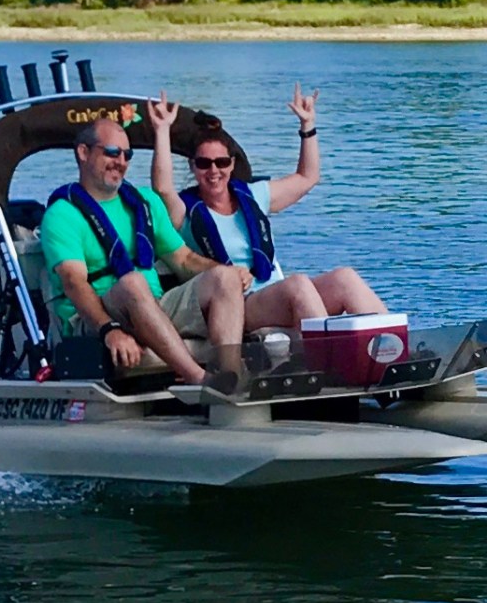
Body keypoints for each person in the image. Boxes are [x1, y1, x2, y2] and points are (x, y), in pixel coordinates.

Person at [149, 85, 388, 331]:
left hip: (275, 293)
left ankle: (397, 349)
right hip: (238, 303)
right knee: (298, 285)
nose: (213, 171)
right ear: (192, 167)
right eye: (203, 163)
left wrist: (308, 125)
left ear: (231, 165)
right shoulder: (183, 211)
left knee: (345, 278)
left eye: (221, 162)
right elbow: (163, 187)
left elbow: (308, 177)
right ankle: (327, 360)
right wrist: (162, 130)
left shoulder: (254, 195)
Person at [40, 117, 248, 385]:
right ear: (83, 152)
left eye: (128, 154)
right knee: (133, 283)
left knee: (225, 277)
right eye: (112, 152)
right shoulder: (61, 215)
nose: (121, 162)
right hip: (96, 318)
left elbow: (184, 259)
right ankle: (199, 379)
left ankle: (230, 379)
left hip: (153, 306)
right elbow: (73, 282)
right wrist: (109, 330)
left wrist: (229, 273)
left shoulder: (146, 202)